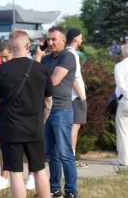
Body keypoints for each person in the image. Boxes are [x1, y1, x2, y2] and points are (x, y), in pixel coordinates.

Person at [0, 30, 53, 198]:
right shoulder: (41, 70)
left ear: (9, 46)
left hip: (10, 129)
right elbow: (48, 102)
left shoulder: (0, 71)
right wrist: (41, 121)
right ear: (27, 45)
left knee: (15, 173)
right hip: (35, 128)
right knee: (39, 170)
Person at [36, 26, 78, 198]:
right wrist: (38, 55)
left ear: (63, 41)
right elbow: (33, 75)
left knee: (65, 152)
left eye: (54, 39)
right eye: (49, 39)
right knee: (51, 152)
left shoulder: (68, 56)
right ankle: (54, 188)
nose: (50, 42)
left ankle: (71, 191)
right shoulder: (46, 59)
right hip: (47, 110)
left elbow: (53, 81)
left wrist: (38, 81)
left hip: (62, 110)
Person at [66, 29, 88, 169]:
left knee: (72, 127)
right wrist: (81, 96)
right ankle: (71, 157)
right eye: (80, 37)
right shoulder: (72, 54)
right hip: (75, 97)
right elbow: (73, 78)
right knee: (75, 126)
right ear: (75, 38)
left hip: (71, 96)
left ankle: (69, 156)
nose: (82, 40)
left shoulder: (67, 53)